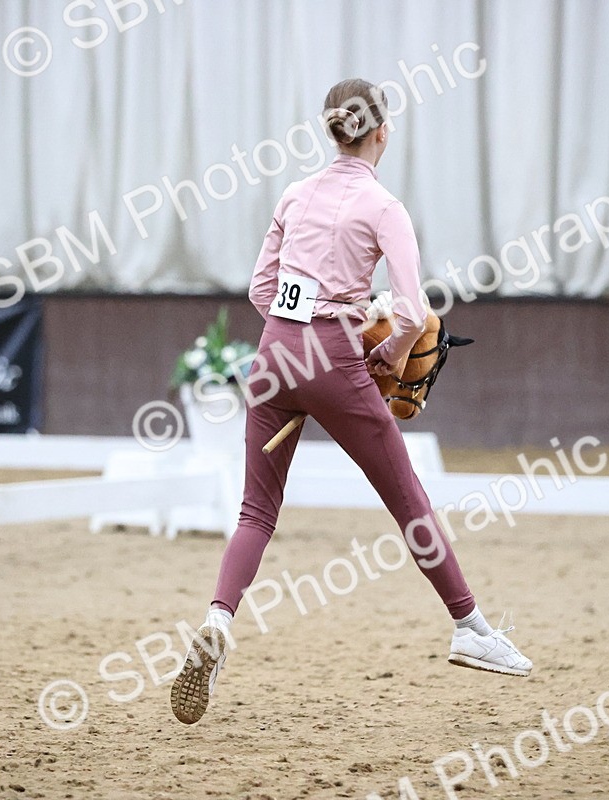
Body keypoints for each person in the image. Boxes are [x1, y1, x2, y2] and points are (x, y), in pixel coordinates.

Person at [171, 79, 531, 725]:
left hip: (275, 352)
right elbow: (414, 311)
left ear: (330, 129)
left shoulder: (293, 194)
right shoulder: (385, 206)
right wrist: (387, 351)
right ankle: (470, 627)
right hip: (337, 356)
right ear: (381, 132)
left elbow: (261, 288)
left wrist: (300, 344)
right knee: (408, 500)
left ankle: (217, 621)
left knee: (256, 511)